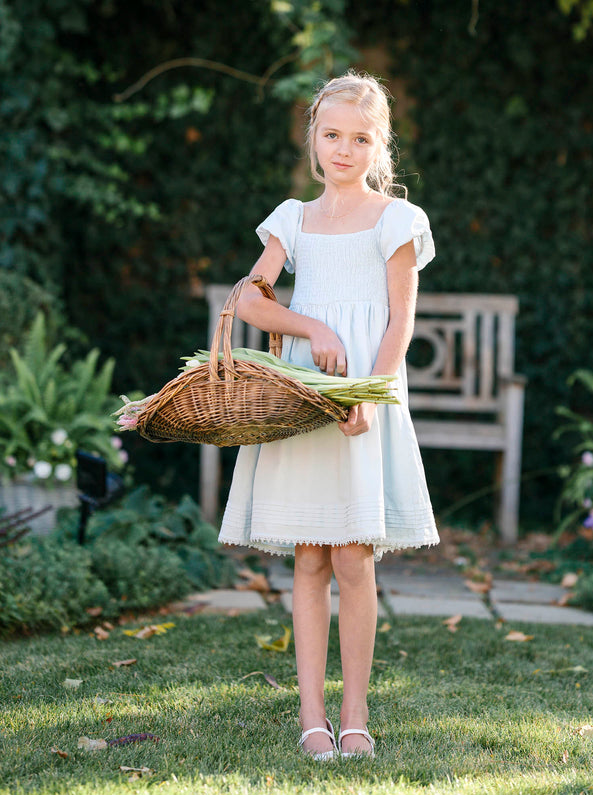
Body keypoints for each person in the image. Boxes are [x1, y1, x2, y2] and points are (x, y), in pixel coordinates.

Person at [218, 71, 439, 759]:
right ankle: (312, 718)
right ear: (313, 137)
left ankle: (355, 716)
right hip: (303, 400)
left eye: (361, 138)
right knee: (309, 558)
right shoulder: (293, 219)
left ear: (381, 146)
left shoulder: (397, 221)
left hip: (362, 400)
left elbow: (401, 320)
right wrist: (309, 324)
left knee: (352, 557)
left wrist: (368, 396)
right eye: (332, 134)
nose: (344, 149)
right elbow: (248, 300)